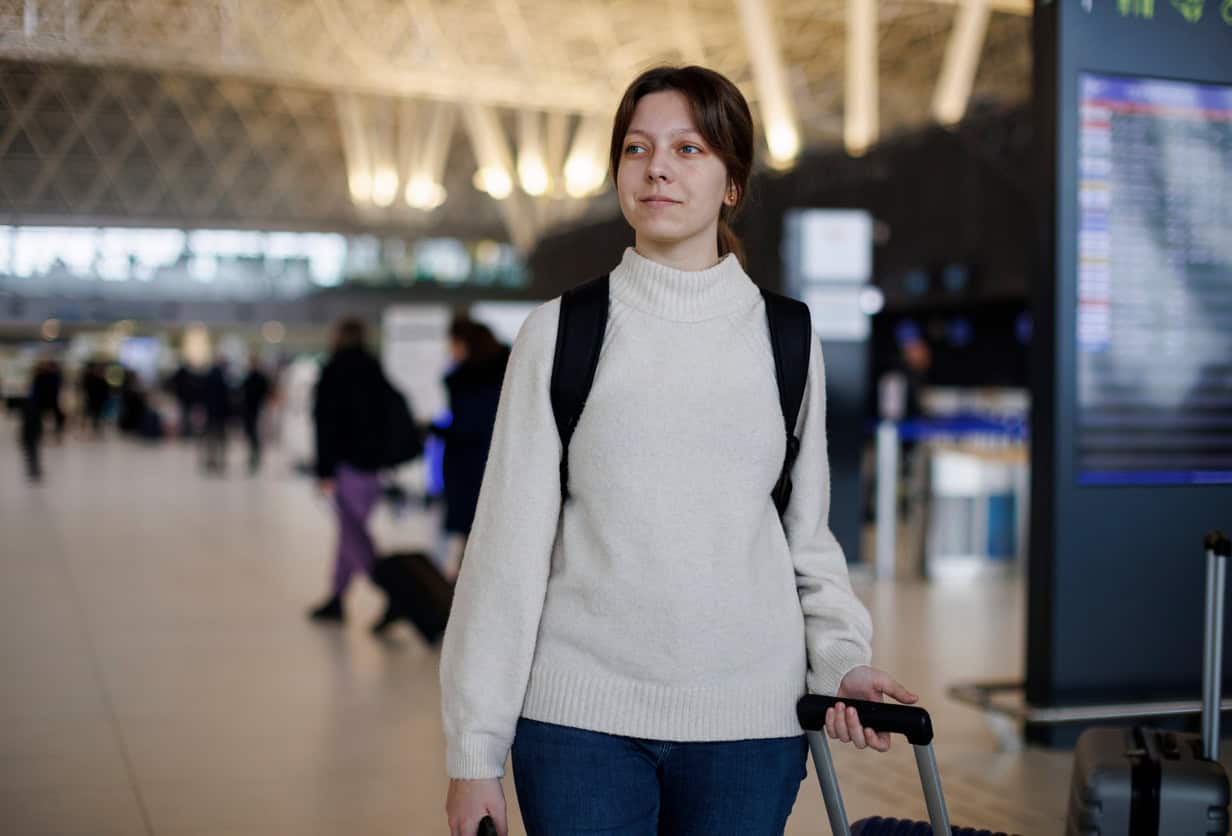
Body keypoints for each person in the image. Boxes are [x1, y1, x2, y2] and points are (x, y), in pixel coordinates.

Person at [441, 65, 916, 836]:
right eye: (636, 148)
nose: (657, 166)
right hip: (577, 726)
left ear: (732, 181)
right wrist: (473, 754)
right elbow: (504, 555)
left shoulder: (786, 337)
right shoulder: (560, 333)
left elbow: (805, 536)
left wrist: (841, 661)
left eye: (689, 148)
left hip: (748, 728)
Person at [308, 317, 390, 623]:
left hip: (346, 467)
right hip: (371, 467)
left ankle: (393, 589)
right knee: (349, 532)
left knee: (351, 534)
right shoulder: (374, 369)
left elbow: (325, 425)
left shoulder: (334, 371)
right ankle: (337, 597)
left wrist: (324, 470)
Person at [428, 317, 509, 580]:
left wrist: (435, 430)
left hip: (468, 465)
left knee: (471, 533)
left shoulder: (466, 380)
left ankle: (463, 593)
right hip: (501, 463)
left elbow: (467, 426)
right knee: (489, 533)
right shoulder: (508, 372)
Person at [239, 354, 272, 474]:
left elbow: (266, 392)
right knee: (251, 434)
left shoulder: (258, 377)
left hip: (257, 409)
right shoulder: (249, 377)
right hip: (250, 410)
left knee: (256, 434)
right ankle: (253, 456)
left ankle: (256, 456)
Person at [201, 359, 231, 474]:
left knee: (211, 438)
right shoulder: (223, 379)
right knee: (220, 438)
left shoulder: (209, 378)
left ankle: (211, 460)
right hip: (220, 414)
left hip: (211, 413)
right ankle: (220, 460)